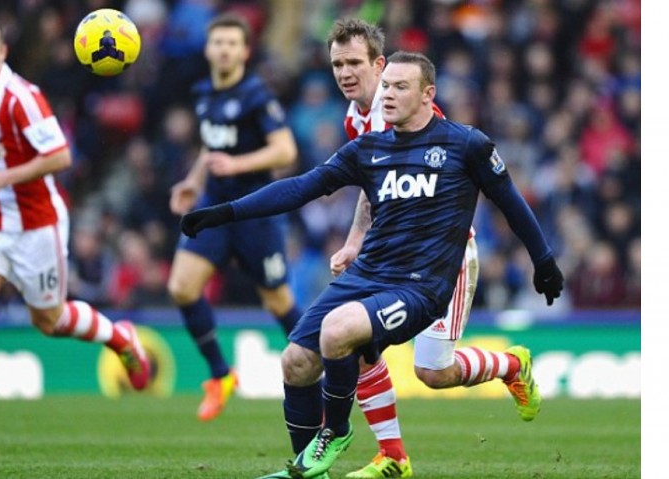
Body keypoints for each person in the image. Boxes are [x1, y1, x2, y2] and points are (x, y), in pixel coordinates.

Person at [180, 51, 564, 479]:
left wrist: (543, 260)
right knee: (295, 360)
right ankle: (312, 472)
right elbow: (301, 187)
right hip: (369, 274)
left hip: (422, 284)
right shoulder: (367, 148)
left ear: (427, 95)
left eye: (401, 87)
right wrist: (226, 211)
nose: (389, 94)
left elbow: (511, 202)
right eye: (387, 87)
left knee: (389, 353)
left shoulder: (465, 144)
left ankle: (339, 431)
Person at [0, 16, 151, 442]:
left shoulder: (23, 97)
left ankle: (120, 338)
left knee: (49, 319)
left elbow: (59, 156)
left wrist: (4, 178)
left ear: (3, 52)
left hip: (37, 224)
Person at [322, 19, 543, 479]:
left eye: (355, 64)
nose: (345, 74)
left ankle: (510, 364)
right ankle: (394, 458)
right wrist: (355, 241)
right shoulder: (355, 119)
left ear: (379, 65)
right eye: (337, 64)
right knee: (355, 340)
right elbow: (373, 184)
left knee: (434, 372)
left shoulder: (411, 111)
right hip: (390, 259)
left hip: (443, 258)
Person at [167, 12, 302, 422]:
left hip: (255, 209)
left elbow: (285, 151)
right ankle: (220, 375)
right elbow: (212, 150)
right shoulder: (205, 91)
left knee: (277, 300)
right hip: (213, 206)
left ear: (244, 51)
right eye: (217, 42)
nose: (223, 49)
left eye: (231, 43)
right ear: (208, 49)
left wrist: (238, 164)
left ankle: (323, 368)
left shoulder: (257, 95)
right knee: (182, 287)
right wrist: (194, 180)